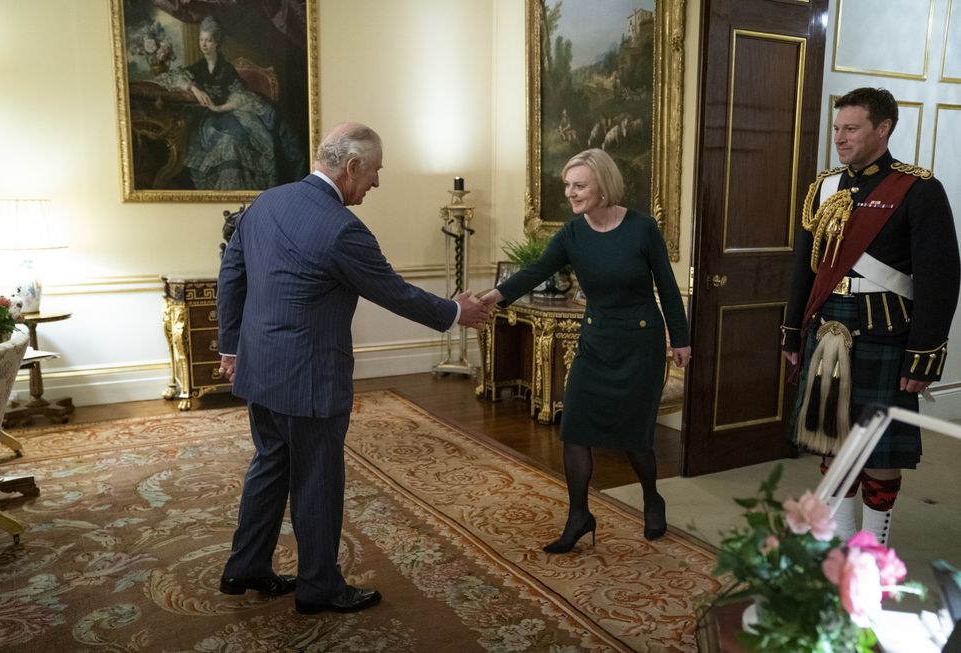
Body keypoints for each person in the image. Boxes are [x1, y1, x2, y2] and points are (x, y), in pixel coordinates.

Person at [216, 122, 493, 614]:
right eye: (375, 171)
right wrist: (456, 312)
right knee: (317, 480)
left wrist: (231, 348)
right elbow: (393, 291)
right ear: (351, 166)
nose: (377, 182)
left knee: (270, 466)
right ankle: (319, 587)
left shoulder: (266, 202)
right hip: (309, 379)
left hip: (261, 369)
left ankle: (246, 566)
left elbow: (231, 274)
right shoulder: (342, 228)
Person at [480, 148, 690, 553]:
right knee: (574, 429)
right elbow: (535, 271)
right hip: (595, 343)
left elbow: (666, 285)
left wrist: (680, 339)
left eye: (579, 185)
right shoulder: (572, 234)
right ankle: (579, 515)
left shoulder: (642, 229)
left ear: (603, 186)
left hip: (640, 345)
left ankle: (652, 498)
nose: (570, 193)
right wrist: (493, 297)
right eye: (567, 185)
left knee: (636, 438)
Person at [781, 87, 960, 546]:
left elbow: (939, 279)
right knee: (831, 439)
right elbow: (806, 266)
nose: (839, 138)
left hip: (885, 334)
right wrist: (791, 332)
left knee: (880, 451)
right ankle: (841, 541)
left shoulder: (918, 190)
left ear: (883, 129)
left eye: (851, 128)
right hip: (827, 327)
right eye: (837, 128)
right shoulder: (824, 187)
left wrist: (923, 357)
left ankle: (872, 548)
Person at [180, 16, 305, 189]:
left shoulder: (227, 69)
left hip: (227, 113)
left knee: (245, 135)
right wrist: (194, 88)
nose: (204, 45)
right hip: (205, 119)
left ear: (217, 43)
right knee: (223, 140)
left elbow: (239, 94)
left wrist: (219, 107)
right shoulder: (196, 68)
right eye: (201, 40)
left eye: (208, 40)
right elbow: (177, 77)